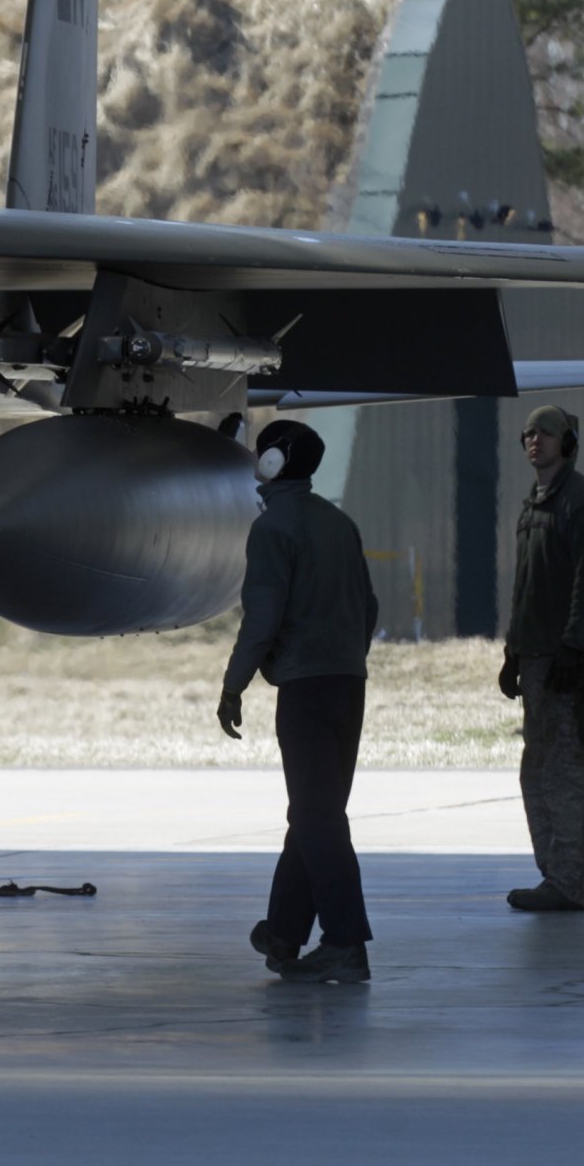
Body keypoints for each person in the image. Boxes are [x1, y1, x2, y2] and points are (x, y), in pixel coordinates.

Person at [217, 420, 381, 985]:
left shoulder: (272, 530)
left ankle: (345, 941)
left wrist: (234, 684)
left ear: (272, 464)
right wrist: (345, 656)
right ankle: (284, 932)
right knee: (314, 812)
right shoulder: (338, 522)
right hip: (347, 683)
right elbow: (370, 606)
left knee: (317, 817)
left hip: (306, 689)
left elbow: (262, 619)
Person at [497, 404, 584, 913]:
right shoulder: (536, 505)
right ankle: (555, 875)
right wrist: (513, 651)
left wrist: (575, 645)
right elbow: (527, 586)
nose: (535, 441)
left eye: (546, 433)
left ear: (568, 442)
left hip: (572, 661)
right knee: (539, 770)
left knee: (569, 772)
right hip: (537, 659)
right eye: (529, 433)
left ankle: (569, 883)